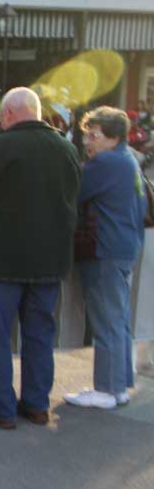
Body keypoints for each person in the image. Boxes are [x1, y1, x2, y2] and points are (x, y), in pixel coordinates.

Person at [0, 88, 81, 429]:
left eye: (0, 116)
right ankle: (37, 405)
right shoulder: (67, 149)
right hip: (50, 260)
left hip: (2, 259)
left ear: (9, 114)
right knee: (40, 333)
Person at [64, 107, 148, 409]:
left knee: (107, 321)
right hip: (125, 246)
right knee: (119, 319)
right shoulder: (128, 159)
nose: (88, 140)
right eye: (87, 133)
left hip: (104, 250)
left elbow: (73, 193)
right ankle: (120, 385)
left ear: (113, 137)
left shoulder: (104, 163)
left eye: (94, 135)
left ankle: (107, 390)